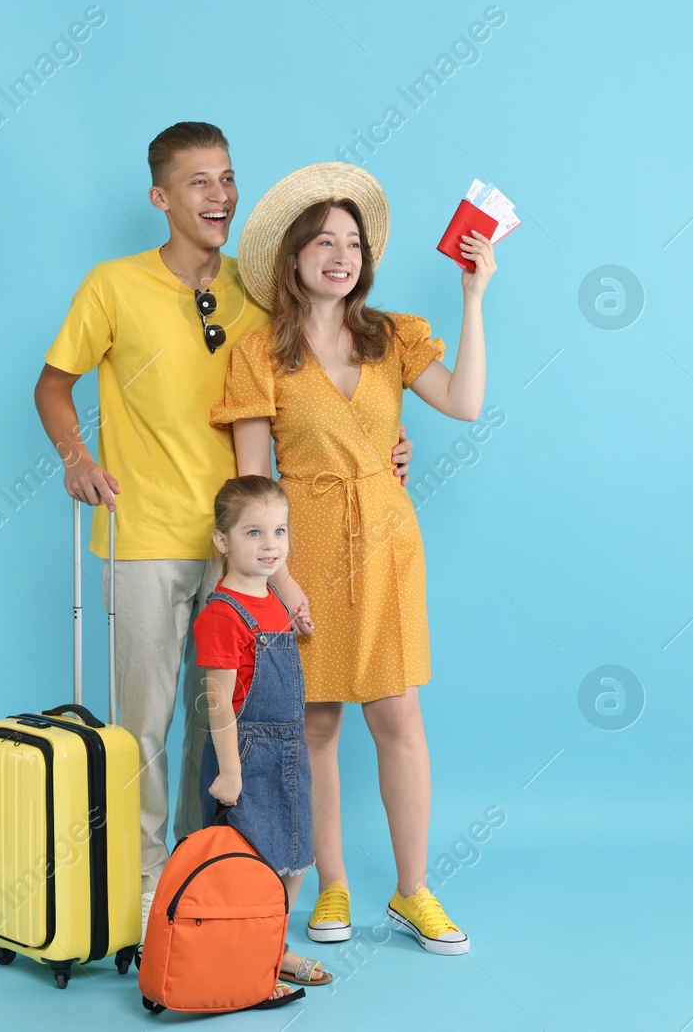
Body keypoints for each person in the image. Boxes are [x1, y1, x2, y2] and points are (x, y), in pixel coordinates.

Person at [34, 125, 415, 938]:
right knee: (145, 721)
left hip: (248, 553)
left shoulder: (259, 287)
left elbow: (318, 370)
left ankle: (205, 868)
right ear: (161, 198)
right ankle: (144, 888)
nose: (219, 197)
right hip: (144, 535)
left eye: (229, 179)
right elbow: (53, 384)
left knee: (234, 723)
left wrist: (381, 443)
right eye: (199, 182)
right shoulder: (112, 285)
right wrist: (75, 454)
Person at [212, 162, 496, 955]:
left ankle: (413, 890)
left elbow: (466, 401)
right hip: (300, 548)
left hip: (388, 546)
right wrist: (282, 576)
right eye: (323, 241)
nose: (341, 254)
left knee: (398, 715)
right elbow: (254, 481)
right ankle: (331, 880)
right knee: (316, 723)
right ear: (293, 256)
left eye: (353, 242)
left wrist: (474, 298)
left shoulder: (393, 335)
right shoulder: (258, 353)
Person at [197, 475, 332, 999]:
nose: (271, 543)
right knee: (252, 866)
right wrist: (230, 772)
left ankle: (269, 946)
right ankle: (247, 963)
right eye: (253, 533)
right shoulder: (222, 614)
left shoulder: (274, 599)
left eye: (279, 530)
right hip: (247, 757)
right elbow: (217, 701)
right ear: (223, 541)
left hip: (289, 753)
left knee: (295, 858)